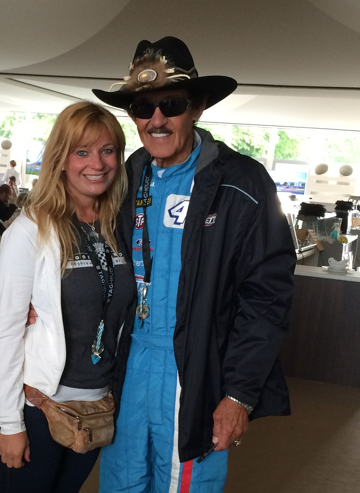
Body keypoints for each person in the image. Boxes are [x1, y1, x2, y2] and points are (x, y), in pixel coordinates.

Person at [92, 36, 296, 492]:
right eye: (143, 108)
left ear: (198, 107)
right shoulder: (126, 176)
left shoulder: (243, 182)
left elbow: (266, 299)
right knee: (121, 483)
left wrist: (239, 394)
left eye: (172, 104)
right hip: (128, 370)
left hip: (195, 372)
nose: (156, 119)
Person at [0, 101, 135, 493]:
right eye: (82, 152)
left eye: (107, 150)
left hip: (98, 404)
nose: (97, 163)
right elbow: (6, 333)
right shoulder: (29, 231)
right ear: (60, 159)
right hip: (40, 405)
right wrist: (10, 424)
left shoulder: (118, 227)